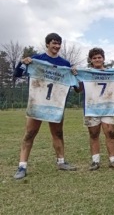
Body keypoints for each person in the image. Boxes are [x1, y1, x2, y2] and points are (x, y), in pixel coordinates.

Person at [13, 33, 78, 180]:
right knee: (30, 134)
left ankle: (61, 162)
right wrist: (22, 62)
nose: (56, 46)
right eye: (54, 43)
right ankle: (22, 166)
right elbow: (17, 74)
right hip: (38, 103)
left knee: (58, 133)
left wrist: (75, 73)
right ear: (47, 44)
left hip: (56, 104)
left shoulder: (65, 64)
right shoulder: (36, 59)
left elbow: (75, 86)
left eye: (58, 43)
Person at [73, 48, 114, 170]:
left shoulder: (111, 73)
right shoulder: (86, 73)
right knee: (93, 134)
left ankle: (113, 160)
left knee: (110, 134)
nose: (97, 60)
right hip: (91, 108)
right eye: (94, 58)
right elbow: (78, 89)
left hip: (108, 107)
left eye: (99, 57)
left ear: (103, 59)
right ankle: (95, 161)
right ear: (91, 60)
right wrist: (75, 78)